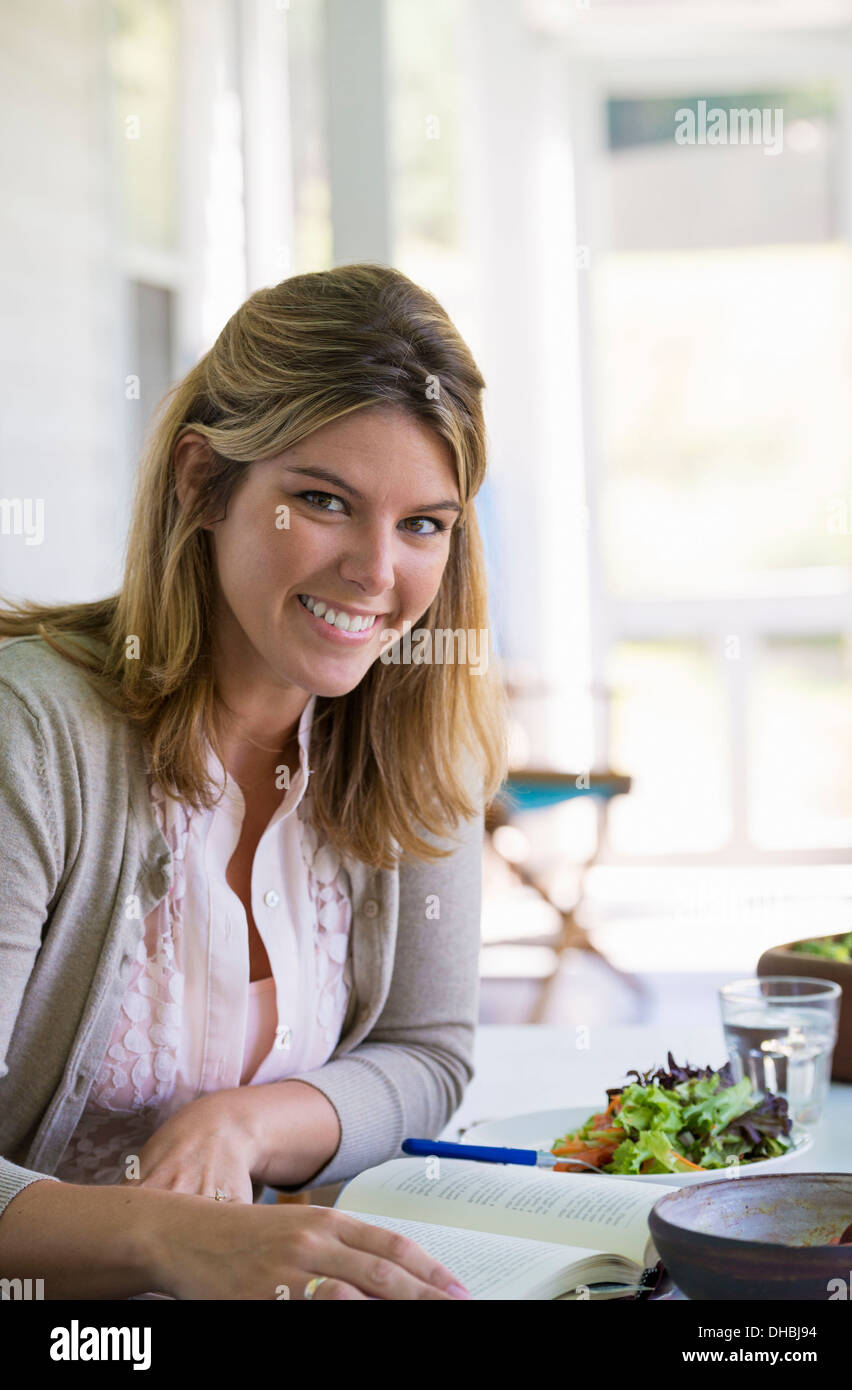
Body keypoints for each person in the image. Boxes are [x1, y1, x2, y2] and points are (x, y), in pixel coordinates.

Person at [0, 263, 509, 1300]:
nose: (377, 571)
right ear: (201, 482)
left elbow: (427, 1052)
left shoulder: (415, 735)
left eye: (424, 523)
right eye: (323, 500)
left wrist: (242, 1123)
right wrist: (168, 1235)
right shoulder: (31, 737)